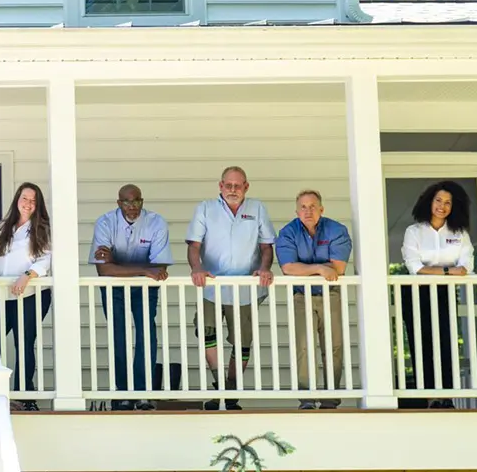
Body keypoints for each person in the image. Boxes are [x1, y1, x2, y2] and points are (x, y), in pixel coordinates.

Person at [186, 167, 275, 408]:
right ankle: (220, 388)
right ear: (220, 186)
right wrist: (196, 268)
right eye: (228, 185)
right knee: (207, 333)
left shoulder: (257, 208)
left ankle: (232, 392)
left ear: (246, 186)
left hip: (246, 288)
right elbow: (194, 245)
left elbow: (267, 246)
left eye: (238, 185)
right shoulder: (205, 208)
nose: (232, 190)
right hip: (211, 286)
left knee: (242, 341)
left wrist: (265, 268)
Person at [90, 185, 170, 410]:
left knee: (147, 333)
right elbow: (104, 270)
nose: (132, 206)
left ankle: (143, 392)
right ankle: (123, 393)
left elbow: (159, 268)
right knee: (119, 335)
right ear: (119, 203)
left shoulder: (156, 222)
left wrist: (116, 260)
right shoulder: (105, 223)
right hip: (114, 288)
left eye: (137, 201)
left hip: (144, 289)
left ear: (142, 202)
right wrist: (144, 269)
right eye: (127, 202)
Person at [400, 180, 475, 408]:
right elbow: (415, 267)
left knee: (447, 342)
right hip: (416, 293)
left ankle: (447, 396)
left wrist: (441, 272)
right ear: (429, 201)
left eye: (448, 203)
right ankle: (429, 396)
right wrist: (446, 270)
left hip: (445, 293)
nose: (442, 206)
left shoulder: (459, 233)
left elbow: (466, 266)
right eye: (438, 200)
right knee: (422, 343)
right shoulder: (413, 232)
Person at [275, 190, 352, 410]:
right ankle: (307, 399)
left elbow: (338, 268)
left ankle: (330, 399)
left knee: (334, 347)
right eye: (303, 207)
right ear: (297, 211)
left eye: (312, 206)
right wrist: (319, 267)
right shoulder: (288, 232)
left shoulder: (337, 230)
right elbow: (288, 268)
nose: (308, 211)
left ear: (321, 209)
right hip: (302, 296)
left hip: (331, 294)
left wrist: (305, 269)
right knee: (303, 347)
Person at [0, 183, 52, 409]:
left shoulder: (42, 228)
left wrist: (28, 275)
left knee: (24, 344)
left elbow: (46, 259)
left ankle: (25, 397)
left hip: (30, 294)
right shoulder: (2, 227)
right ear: (17, 200)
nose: (28, 203)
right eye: (25, 198)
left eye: (33, 200)